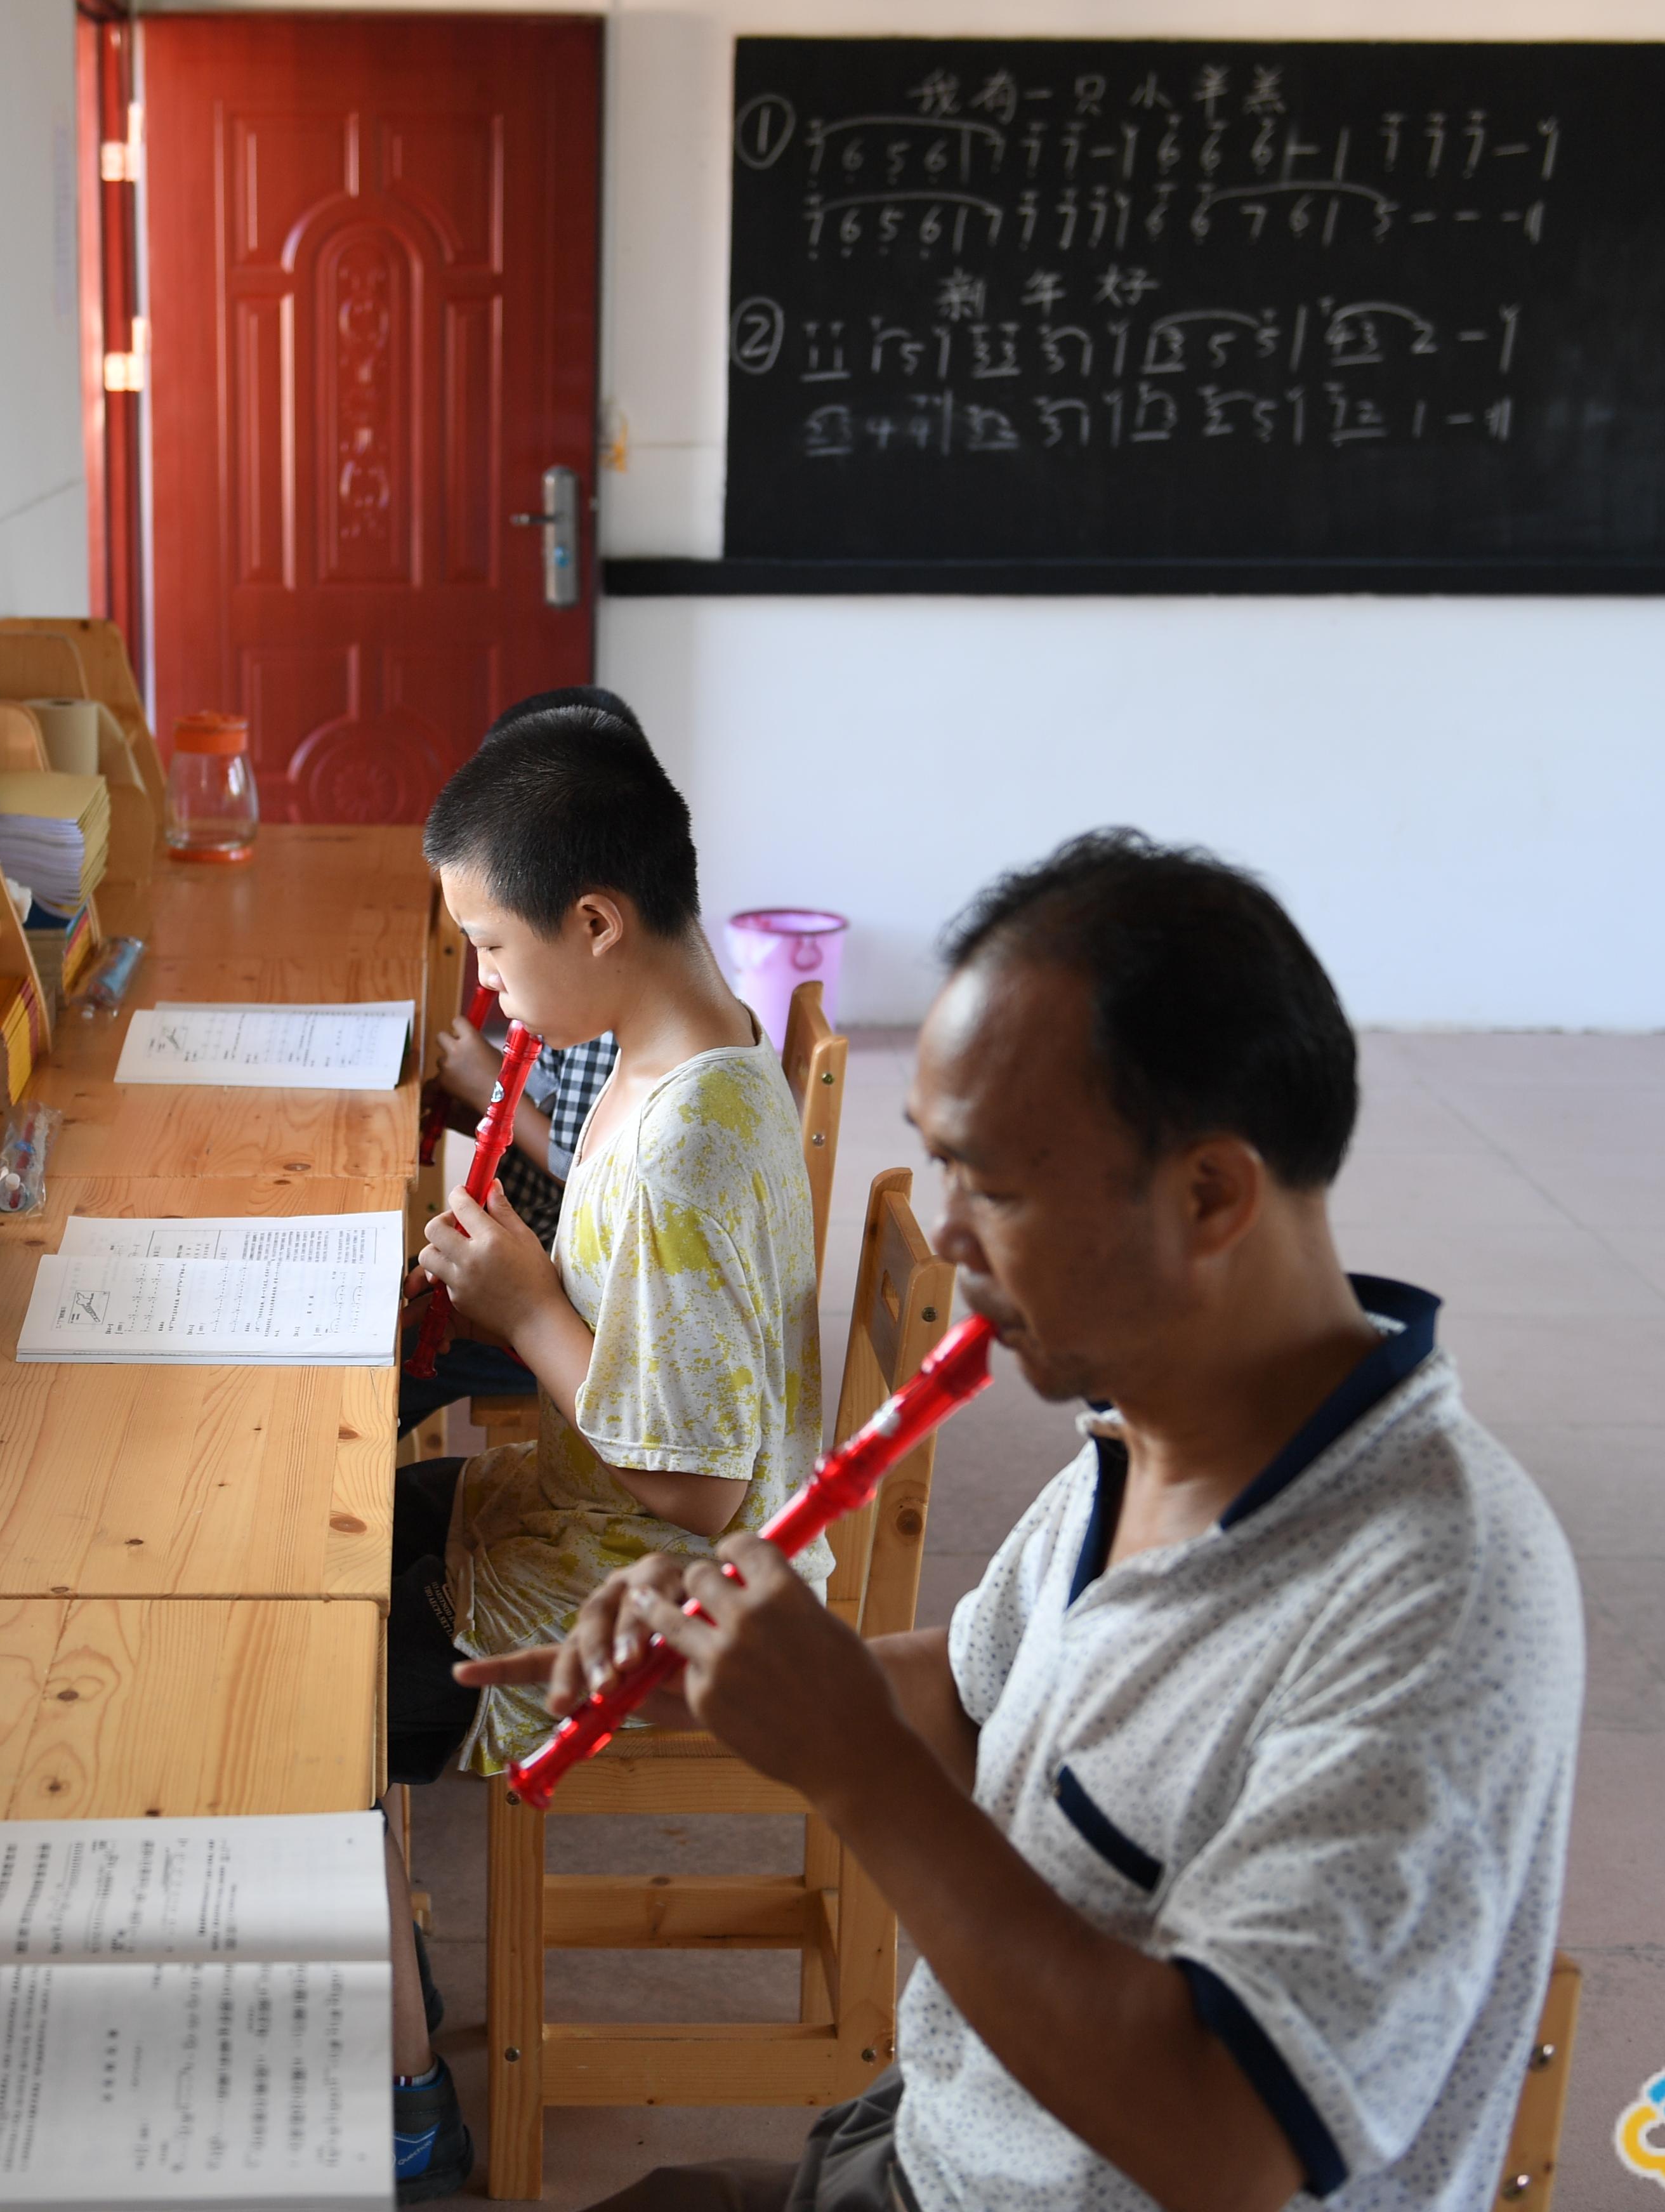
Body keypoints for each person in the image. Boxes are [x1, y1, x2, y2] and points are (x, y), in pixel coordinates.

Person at [468, 830, 1584, 2212]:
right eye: (940, 1171)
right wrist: (720, 1677)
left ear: (1211, 1193)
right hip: (933, 2143)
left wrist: (853, 1760)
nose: (947, 1237)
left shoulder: (1437, 1589)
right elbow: (978, 1691)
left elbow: (1223, 2139)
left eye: (993, 1184)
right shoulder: (1150, 1430)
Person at [384, 706, 827, 2199]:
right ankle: (389, 1948)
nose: (490, 987)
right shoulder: (686, 1046)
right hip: (583, 1516)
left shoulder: (694, 1132)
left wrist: (521, 1309)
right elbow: (655, 1297)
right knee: (344, 1545)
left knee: (322, 1662)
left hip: (657, 1579)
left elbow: (692, 1480)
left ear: (595, 917)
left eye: (497, 951)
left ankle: (405, 2104)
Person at [404, 685, 640, 1431]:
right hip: (535, 1266)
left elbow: (579, 1159)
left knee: (374, 1370)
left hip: (553, 1291)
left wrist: (481, 1080)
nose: (487, 978)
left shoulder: (605, 1009)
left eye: (494, 947)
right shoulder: (594, 979)